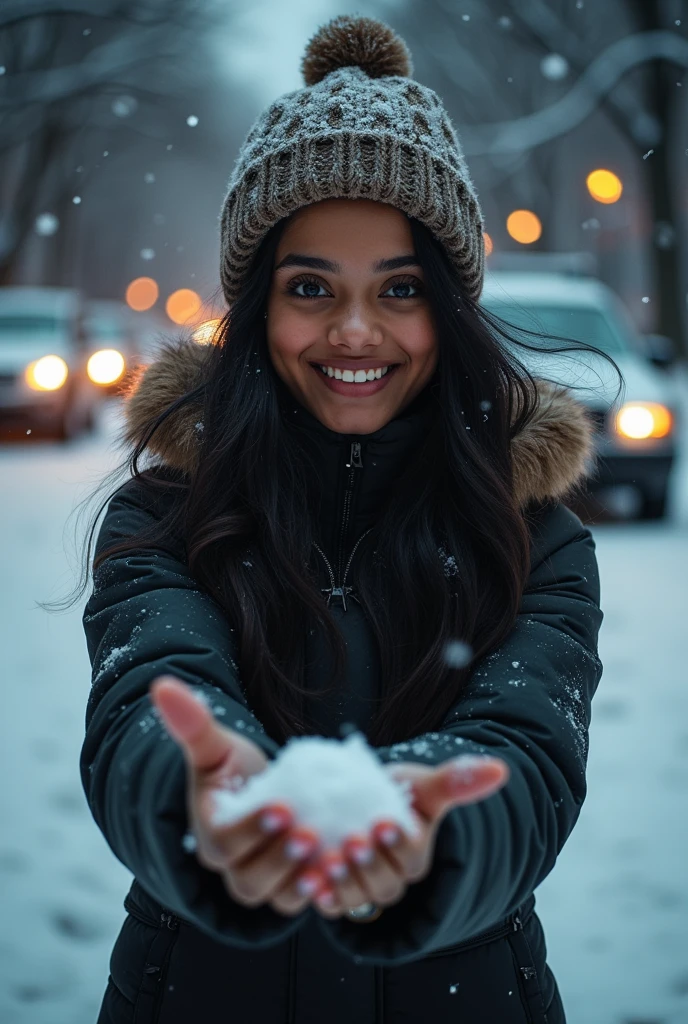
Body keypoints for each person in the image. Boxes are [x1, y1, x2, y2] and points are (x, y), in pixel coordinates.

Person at [81, 15, 606, 1024]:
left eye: (400, 289)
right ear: (255, 311)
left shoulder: (535, 537)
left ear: (448, 308)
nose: (355, 331)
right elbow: (150, 697)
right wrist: (204, 801)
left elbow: (528, 750)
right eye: (309, 287)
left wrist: (424, 830)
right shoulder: (164, 518)